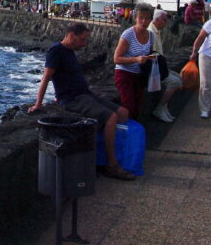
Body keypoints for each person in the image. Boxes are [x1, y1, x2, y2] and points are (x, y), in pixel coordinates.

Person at [29, 23, 136, 180]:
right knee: (111, 118)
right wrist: (38, 104)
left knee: (123, 112)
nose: (85, 43)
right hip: (72, 99)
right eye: (83, 39)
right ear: (72, 36)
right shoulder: (56, 50)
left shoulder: (70, 51)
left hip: (85, 94)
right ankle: (112, 165)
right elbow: (46, 77)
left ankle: (117, 155)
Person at [113, 3, 156, 125]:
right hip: (125, 74)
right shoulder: (128, 34)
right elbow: (116, 58)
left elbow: (149, 53)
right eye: (141, 18)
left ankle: (134, 131)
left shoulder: (150, 35)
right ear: (135, 18)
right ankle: (126, 130)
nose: (144, 21)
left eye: (147, 18)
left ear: (151, 19)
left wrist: (151, 58)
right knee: (128, 106)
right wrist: (135, 59)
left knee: (138, 106)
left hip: (140, 75)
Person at [147, 9, 182, 123]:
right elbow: (149, 55)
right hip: (153, 70)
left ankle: (164, 108)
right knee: (175, 82)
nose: (166, 22)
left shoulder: (156, 31)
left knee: (178, 77)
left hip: (159, 66)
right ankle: (160, 108)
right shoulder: (151, 33)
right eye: (164, 20)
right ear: (157, 20)